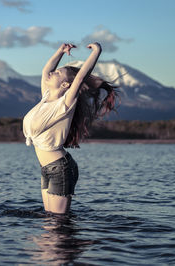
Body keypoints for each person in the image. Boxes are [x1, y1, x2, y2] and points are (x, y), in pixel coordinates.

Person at [23, 42, 119, 214]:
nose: (52, 73)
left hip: (61, 168)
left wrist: (97, 51)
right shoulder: (46, 97)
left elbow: (81, 77)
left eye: (58, 73)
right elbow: (46, 70)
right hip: (47, 168)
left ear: (66, 85)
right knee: (50, 223)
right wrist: (60, 51)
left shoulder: (65, 103)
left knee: (58, 224)